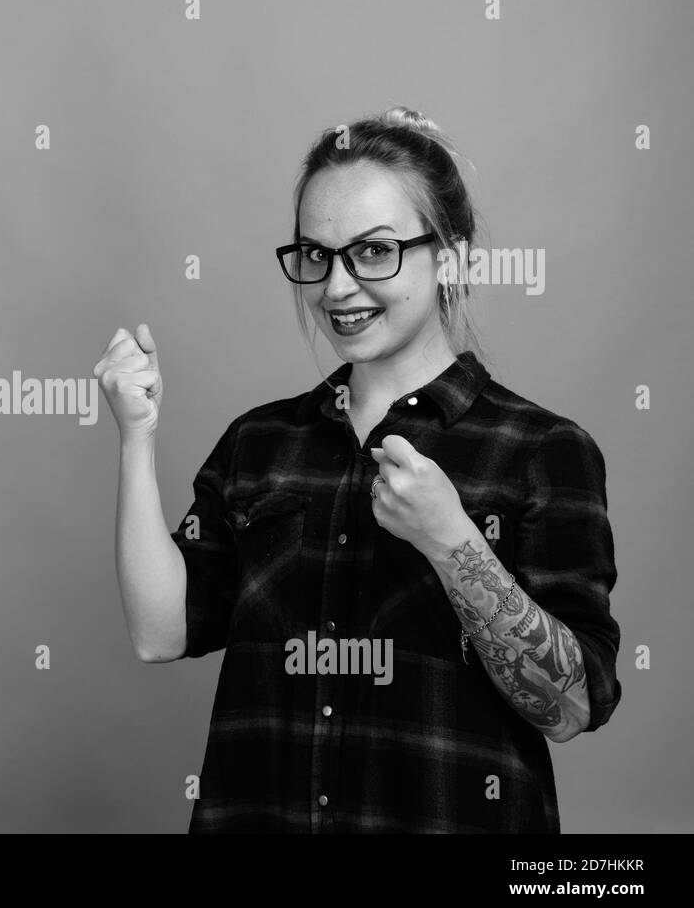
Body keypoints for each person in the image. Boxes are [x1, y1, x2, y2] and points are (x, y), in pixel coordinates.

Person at [93, 107, 622, 832]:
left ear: (453, 257)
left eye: (374, 252)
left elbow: (569, 706)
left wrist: (453, 543)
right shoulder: (261, 442)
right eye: (316, 255)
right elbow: (159, 631)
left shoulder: (541, 450)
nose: (337, 288)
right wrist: (136, 437)